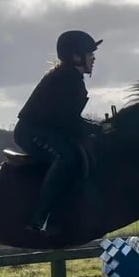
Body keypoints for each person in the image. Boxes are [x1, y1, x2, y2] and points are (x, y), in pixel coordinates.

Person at [13, 30, 103, 236]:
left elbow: (70, 119)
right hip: (31, 132)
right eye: (90, 54)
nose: (94, 58)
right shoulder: (67, 78)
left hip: (45, 131)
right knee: (67, 157)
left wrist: (98, 127)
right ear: (76, 57)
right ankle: (39, 218)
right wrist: (96, 128)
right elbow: (68, 121)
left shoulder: (71, 77)